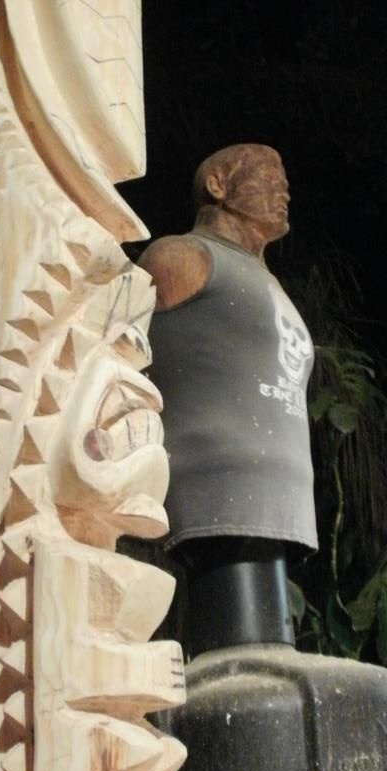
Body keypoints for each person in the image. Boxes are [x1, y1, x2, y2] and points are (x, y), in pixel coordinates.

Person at [140, 144, 317, 655]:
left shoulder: (268, 282)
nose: (284, 190)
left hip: (279, 513)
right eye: (269, 176)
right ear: (218, 184)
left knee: (272, 662)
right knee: (234, 666)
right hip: (210, 504)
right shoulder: (182, 259)